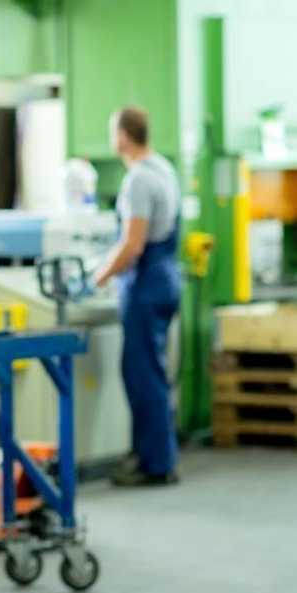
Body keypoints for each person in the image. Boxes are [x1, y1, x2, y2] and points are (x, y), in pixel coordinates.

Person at [93, 106, 181, 487]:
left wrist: (99, 276)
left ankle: (154, 464)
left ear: (123, 136)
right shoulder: (164, 168)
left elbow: (132, 245)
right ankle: (158, 456)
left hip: (146, 286)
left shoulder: (139, 181)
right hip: (166, 278)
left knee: (142, 376)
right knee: (153, 372)